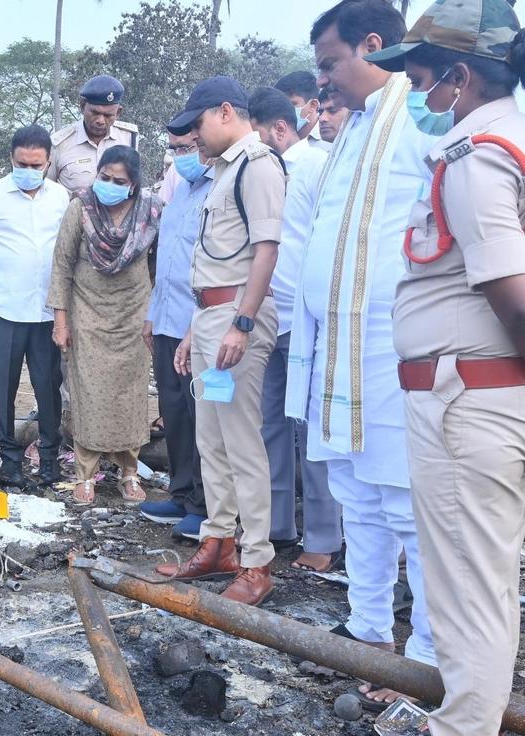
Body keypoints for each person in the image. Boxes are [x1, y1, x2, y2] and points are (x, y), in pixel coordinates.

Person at [368, 1, 525, 731]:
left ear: (461, 77)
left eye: (424, 79)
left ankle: (462, 729)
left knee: (469, 587)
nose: (417, 96)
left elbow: (512, 294)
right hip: (475, 393)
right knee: (476, 581)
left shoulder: (478, 153)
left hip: (470, 399)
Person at [286, 0, 438, 705]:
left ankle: (430, 658)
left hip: (395, 344)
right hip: (340, 349)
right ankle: (371, 632)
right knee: (360, 496)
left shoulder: (424, 112)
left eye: (330, 63)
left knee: (412, 504)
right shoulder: (354, 127)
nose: (323, 81)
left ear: (372, 45)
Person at [156, 76, 285, 607]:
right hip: (210, 317)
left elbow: (266, 250)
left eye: (198, 125)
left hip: (237, 318)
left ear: (226, 111)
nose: (195, 139)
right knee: (212, 438)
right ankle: (218, 543)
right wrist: (193, 330)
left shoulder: (258, 166)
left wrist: (243, 323)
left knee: (241, 442)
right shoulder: (223, 172)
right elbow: (211, 262)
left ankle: (257, 562)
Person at [247, 87, 344, 573]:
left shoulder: (316, 164)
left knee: (311, 434)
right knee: (270, 428)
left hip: (307, 321)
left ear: (279, 129)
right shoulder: (265, 170)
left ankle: (324, 537)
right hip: (269, 317)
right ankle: (277, 525)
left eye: (259, 135)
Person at [48, 145, 160, 505]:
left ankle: (129, 473)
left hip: (134, 318)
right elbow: (62, 266)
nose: (109, 185)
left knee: (131, 397)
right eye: (104, 177)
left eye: (119, 181)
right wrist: (60, 321)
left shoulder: (152, 211)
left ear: (133, 184)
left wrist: (156, 314)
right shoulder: (80, 208)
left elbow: (160, 266)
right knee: (89, 394)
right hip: (88, 314)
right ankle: (86, 475)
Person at [0, 125, 69, 488]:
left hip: (46, 310)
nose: (29, 169)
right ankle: (10, 459)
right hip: (5, 308)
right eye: (22, 162)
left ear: (48, 162)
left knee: (48, 386)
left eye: (36, 164)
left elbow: (67, 250)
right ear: (11, 158)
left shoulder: (61, 197)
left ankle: (50, 459)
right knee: (3, 386)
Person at [139, 132, 212, 540]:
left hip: (197, 322)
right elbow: (166, 257)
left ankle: (205, 505)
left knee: (203, 416)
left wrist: (193, 324)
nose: (183, 156)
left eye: (190, 148)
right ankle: (181, 493)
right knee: (176, 414)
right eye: (178, 149)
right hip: (166, 318)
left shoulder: (220, 188)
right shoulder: (181, 189)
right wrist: (152, 314)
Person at [48, 75, 140, 190]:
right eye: (95, 113)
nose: (100, 121)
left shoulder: (128, 137)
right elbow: (46, 190)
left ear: (118, 112)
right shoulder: (59, 144)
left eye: (108, 115)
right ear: (82, 107)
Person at [274, 71, 332, 150]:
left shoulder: (330, 140)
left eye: (291, 105)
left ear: (312, 105)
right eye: (280, 106)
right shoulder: (278, 142)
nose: (284, 111)